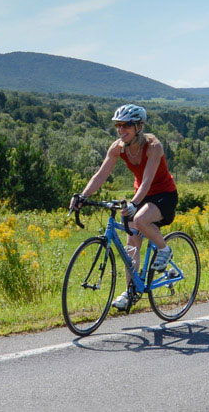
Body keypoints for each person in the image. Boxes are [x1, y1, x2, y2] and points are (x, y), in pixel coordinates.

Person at [72, 104, 179, 312]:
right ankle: (131, 291)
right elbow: (101, 175)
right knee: (132, 245)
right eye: (118, 125)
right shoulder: (118, 147)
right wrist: (83, 196)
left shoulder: (153, 146)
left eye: (126, 125)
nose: (121, 130)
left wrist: (133, 204)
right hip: (142, 195)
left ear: (139, 126)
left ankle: (165, 250)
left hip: (164, 195)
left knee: (139, 220)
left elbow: (147, 180)